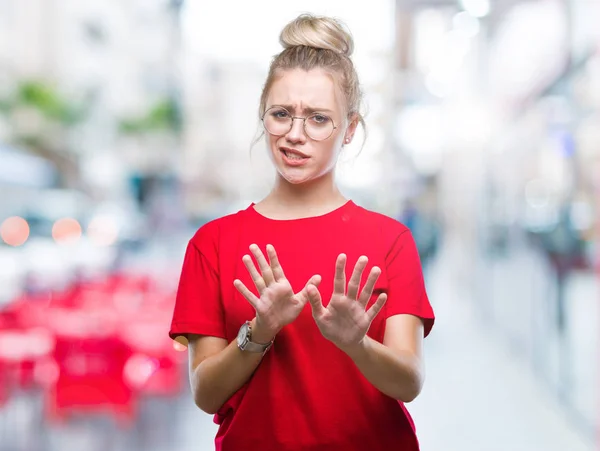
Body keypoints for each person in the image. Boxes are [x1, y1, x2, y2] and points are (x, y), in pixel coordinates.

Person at [169, 13, 435, 451]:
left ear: (349, 128)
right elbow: (205, 392)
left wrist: (357, 345)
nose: (295, 134)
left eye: (317, 118)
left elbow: (409, 382)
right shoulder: (213, 243)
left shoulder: (390, 241)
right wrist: (260, 331)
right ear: (263, 116)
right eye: (281, 114)